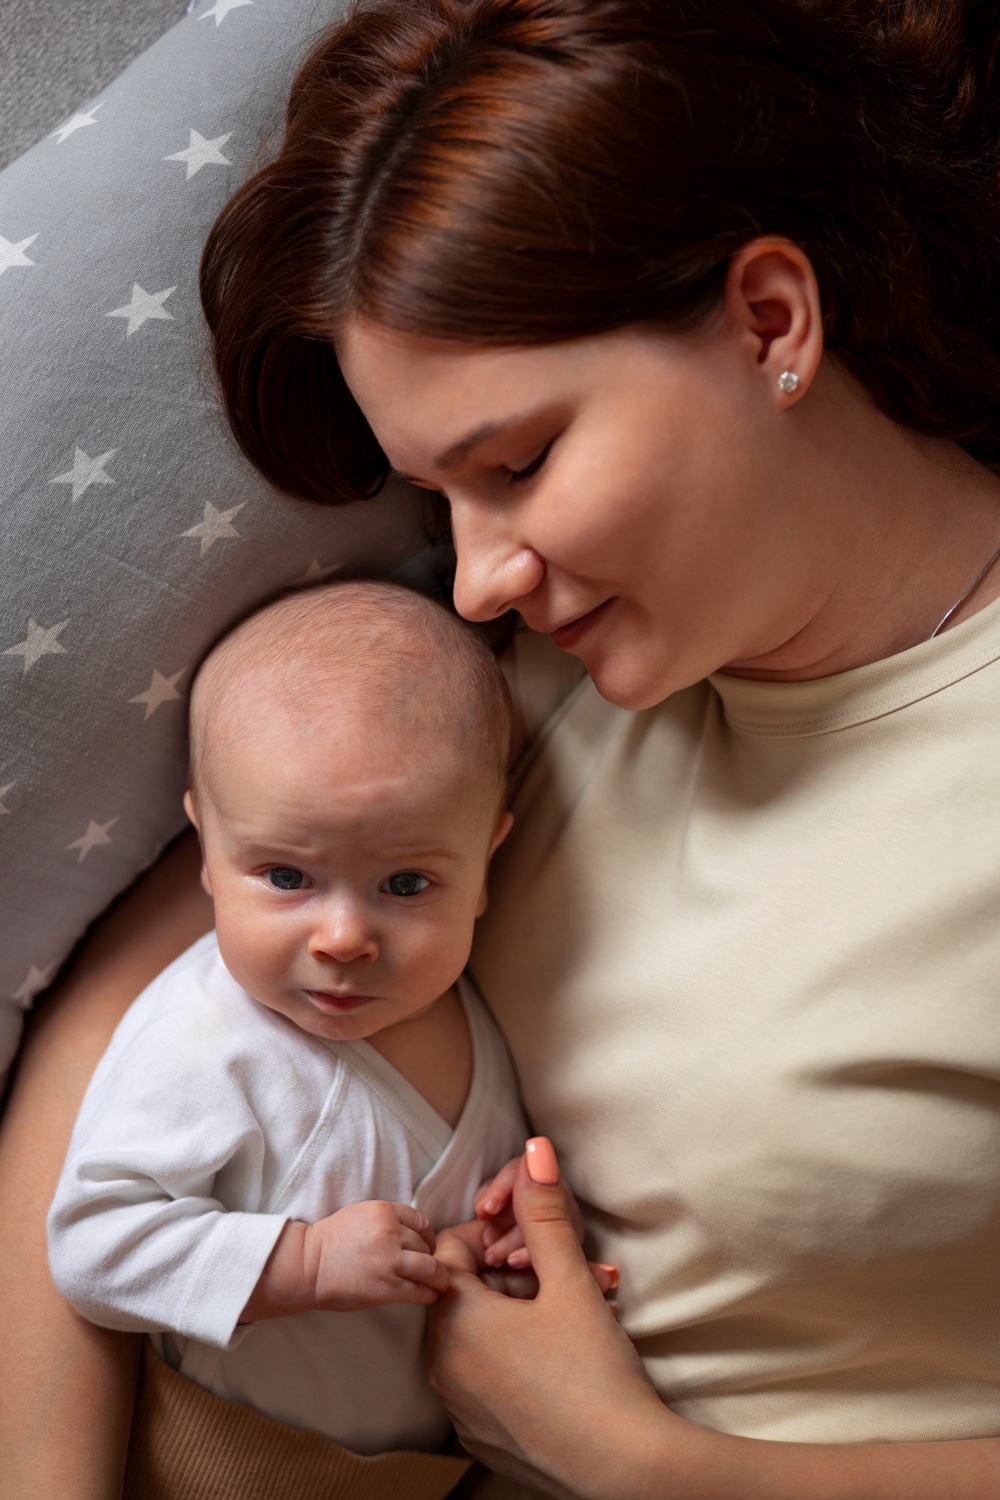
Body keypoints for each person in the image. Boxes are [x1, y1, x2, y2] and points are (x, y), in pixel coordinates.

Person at [5, 0, 1000, 1495]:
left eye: (520, 465)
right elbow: (115, 1027)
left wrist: (639, 1464)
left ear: (772, 321)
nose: (477, 575)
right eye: (438, 500)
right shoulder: (501, 687)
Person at [46, 577, 532, 1488]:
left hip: (421, 1471)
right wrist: (299, 1264)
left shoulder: (467, 1014)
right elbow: (92, 1246)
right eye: (284, 876)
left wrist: (500, 1236)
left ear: (486, 860)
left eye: (406, 885)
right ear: (208, 849)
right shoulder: (206, 1040)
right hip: (226, 1462)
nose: (343, 937)